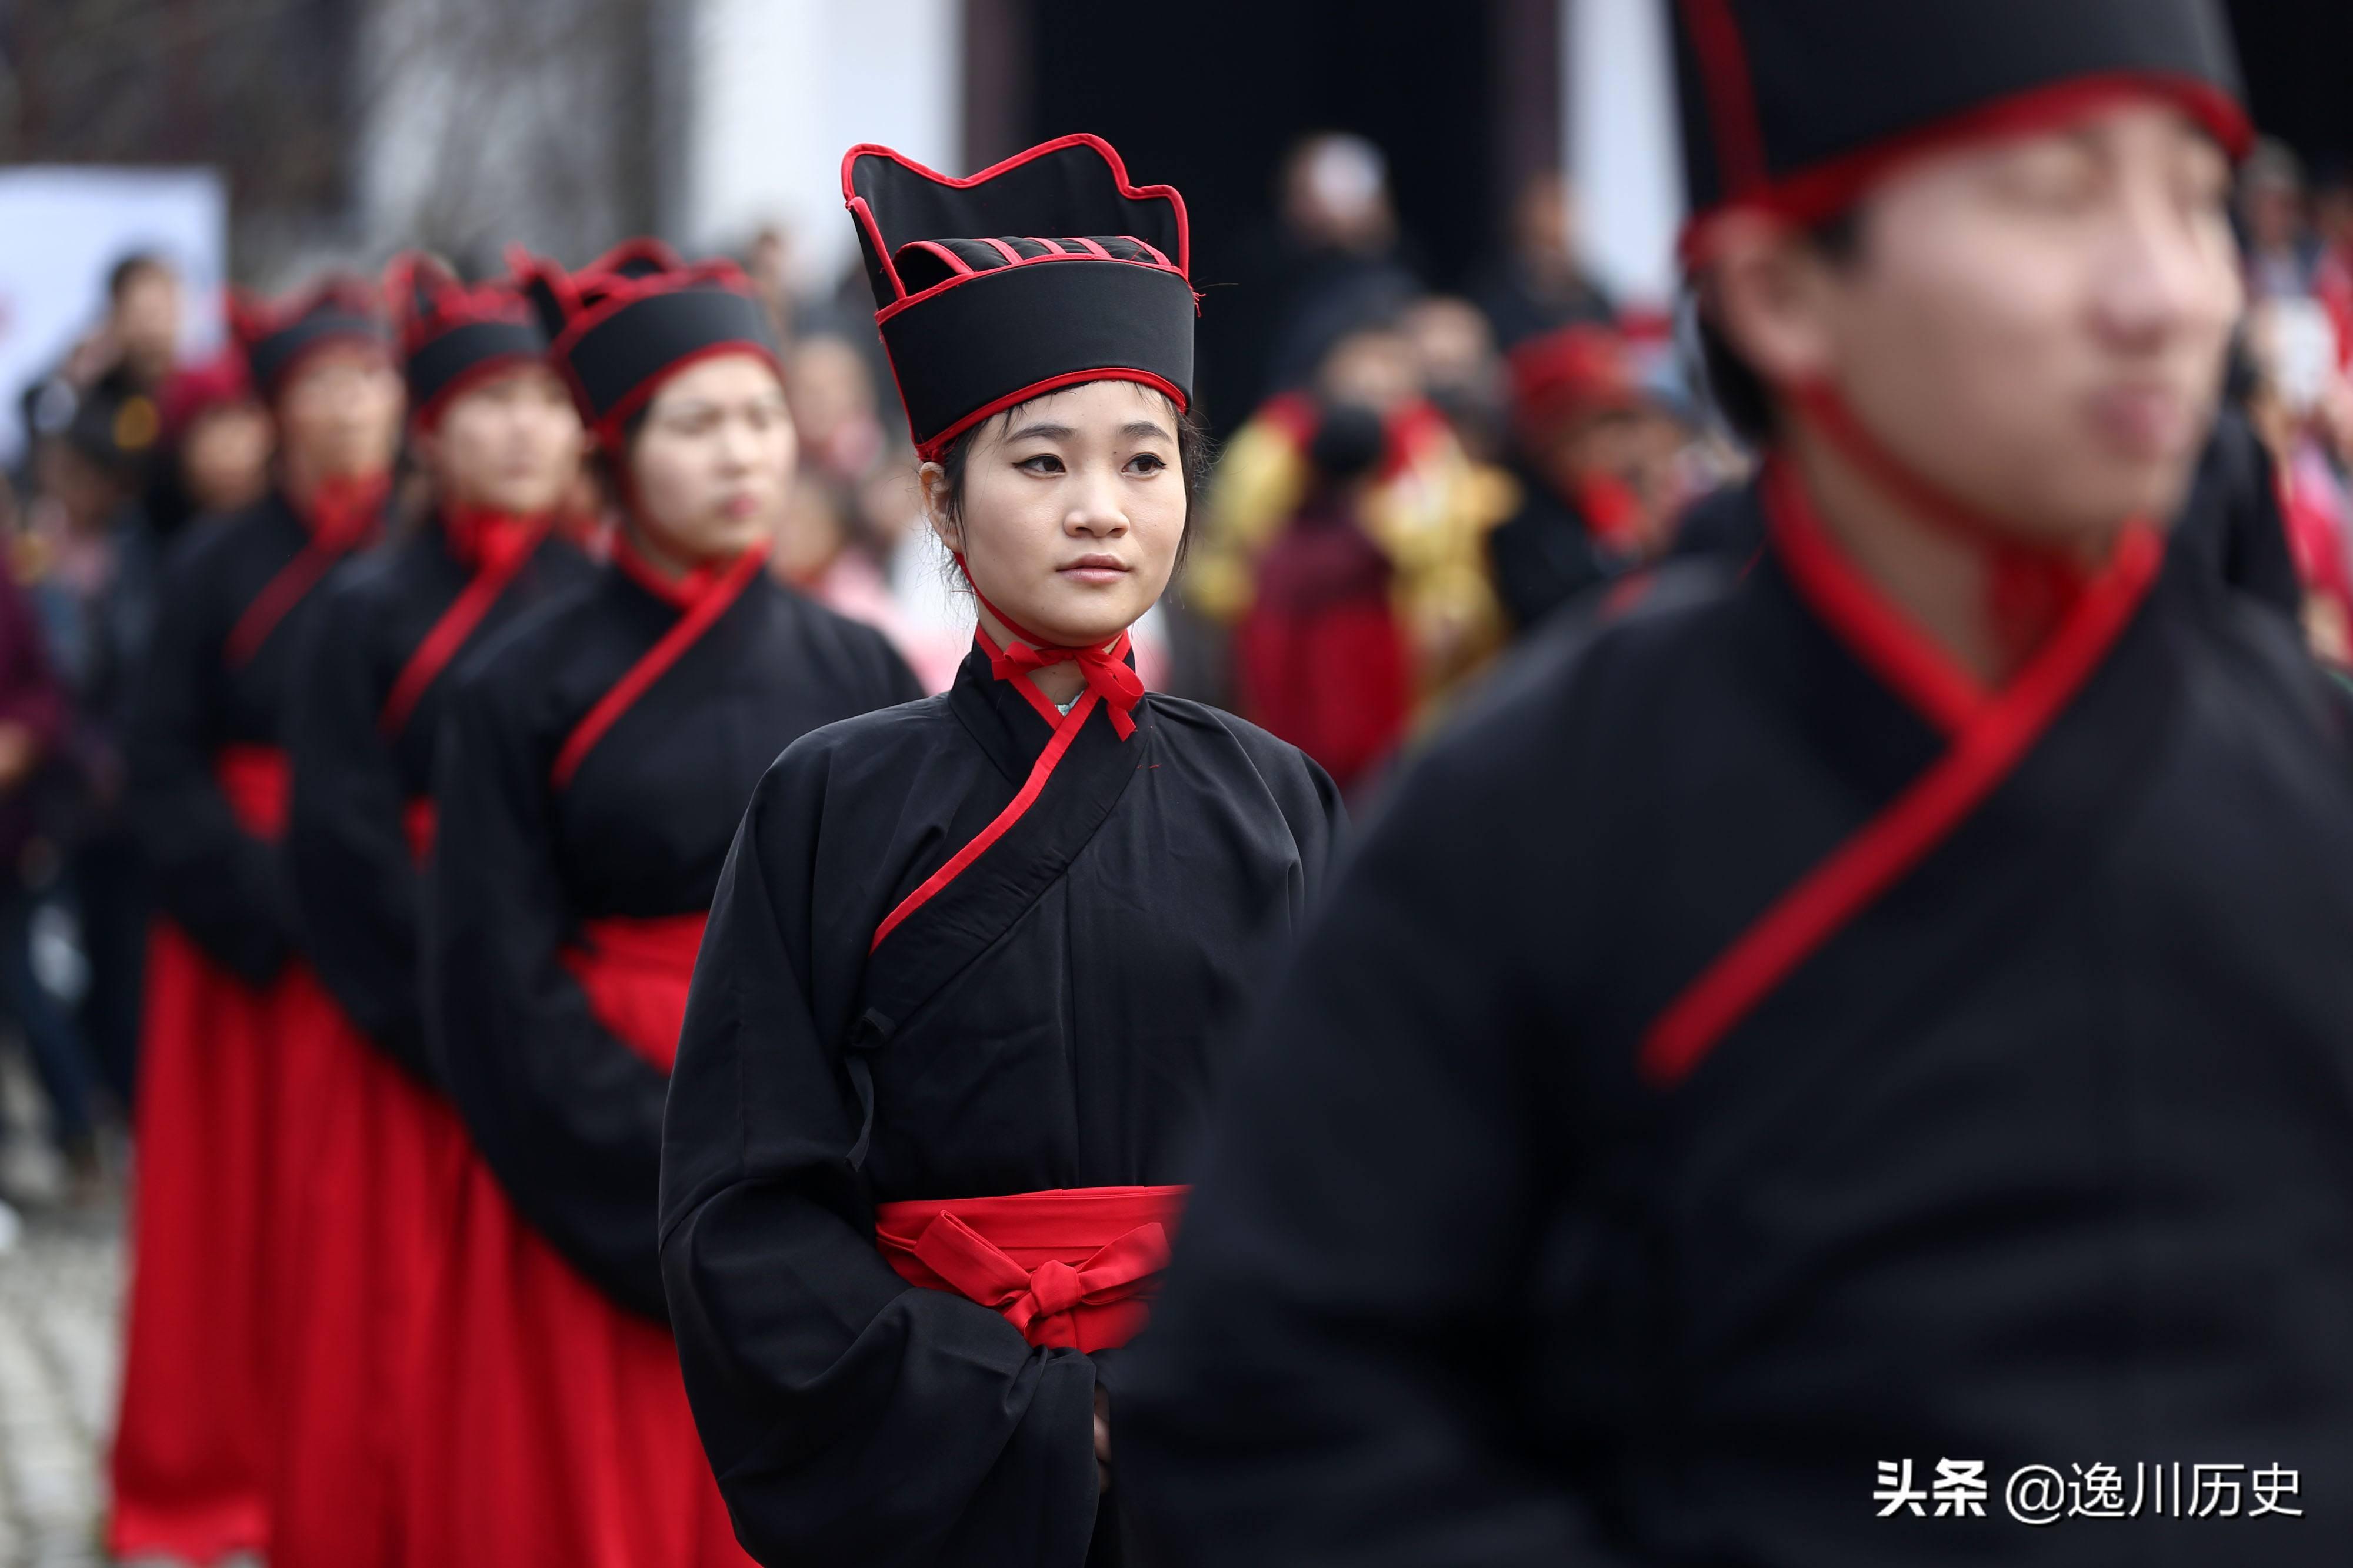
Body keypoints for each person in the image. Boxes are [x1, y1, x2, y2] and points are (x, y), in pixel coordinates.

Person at [1125, 4, 2353, 1562]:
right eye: (2058, 195)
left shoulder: (2313, 775)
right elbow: (1264, 1414)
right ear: (1780, 293)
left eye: (2196, 200)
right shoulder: (1534, 814)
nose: (2174, 295)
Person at [656, 134, 1344, 1567]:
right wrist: (1031, 1407)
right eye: (1043, 460)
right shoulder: (828, 798)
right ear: (940, 504)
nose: (1101, 503)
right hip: (946, 1449)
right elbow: (745, 1203)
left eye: (1143, 459)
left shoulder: (1277, 796)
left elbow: (1361, 1158)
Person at [410, 239, 918, 1568]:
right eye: (698, 424)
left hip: (812, 1136)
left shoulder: (856, 658)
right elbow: (490, 979)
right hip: (594, 1143)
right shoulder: (514, 684)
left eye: (762, 416)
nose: (745, 454)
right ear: (616, 447)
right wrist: (679, 1177)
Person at [274, 253, 594, 1568]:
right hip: (406, 1032)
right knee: (378, 1328)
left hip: (561, 1023)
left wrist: (542, 1021)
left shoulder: (599, 602)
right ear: (431, 427)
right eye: (491, 401)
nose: (523, 429)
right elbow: (337, 838)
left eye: (545, 400)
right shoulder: (359, 613)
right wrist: (456, 1008)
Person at [112, 278, 402, 1566]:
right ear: (278, 409)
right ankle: (205, 1477)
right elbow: (157, 751)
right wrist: (264, 896)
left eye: (369, 378)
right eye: (322, 383)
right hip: (245, 929)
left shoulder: (419, 555)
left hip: (386, 921)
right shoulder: (213, 562)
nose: (349, 406)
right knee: (225, 1224)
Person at [1467, 169, 1618, 349]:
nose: (1556, 221)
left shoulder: (1595, 298)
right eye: (1547, 210)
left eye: (1563, 211)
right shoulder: (1495, 292)